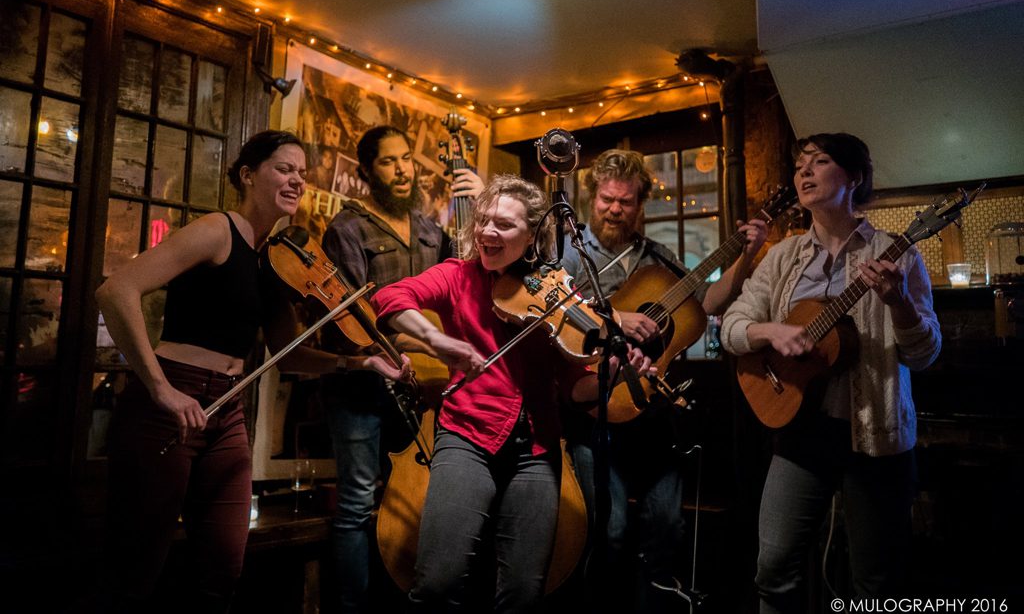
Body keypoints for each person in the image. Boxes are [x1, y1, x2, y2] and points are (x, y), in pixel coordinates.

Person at [95, 130, 408, 614]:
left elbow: (290, 354)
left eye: (302, 173)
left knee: (223, 567)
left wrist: (363, 362)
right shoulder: (218, 230)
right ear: (248, 175)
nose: (297, 180)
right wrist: (160, 388)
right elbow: (117, 291)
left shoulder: (275, 260)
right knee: (138, 566)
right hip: (172, 401)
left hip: (226, 412)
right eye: (285, 168)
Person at [371, 174, 654, 612]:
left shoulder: (556, 292)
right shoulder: (456, 276)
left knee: (523, 591)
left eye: (503, 225)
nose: (487, 232)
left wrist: (613, 373)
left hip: (537, 450)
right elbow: (392, 298)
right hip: (466, 437)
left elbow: (574, 388)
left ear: (534, 234)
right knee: (438, 582)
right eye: (483, 220)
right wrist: (436, 338)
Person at [720, 133, 941, 613]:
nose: (804, 172)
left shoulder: (895, 253)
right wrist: (770, 332)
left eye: (820, 162)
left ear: (854, 177)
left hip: (875, 439)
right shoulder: (783, 256)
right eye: (801, 164)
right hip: (799, 433)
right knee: (773, 568)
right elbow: (731, 327)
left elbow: (925, 354)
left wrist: (898, 302)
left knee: (876, 583)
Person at [558, 148, 767, 613]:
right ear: (593, 198)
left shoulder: (658, 257)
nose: (615, 209)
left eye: (626, 202)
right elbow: (555, 314)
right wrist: (618, 315)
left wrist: (746, 255)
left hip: (649, 407)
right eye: (607, 199)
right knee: (608, 529)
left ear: (641, 204)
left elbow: (709, 301)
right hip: (594, 404)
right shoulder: (569, 254)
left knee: (666, 524)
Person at [319, 124, 484, 612]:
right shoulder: (346, 229)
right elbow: (351, 320)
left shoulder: (433, 230)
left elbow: (467, 287)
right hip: (361, 388)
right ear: (367, 171)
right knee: (356, 504)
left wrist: (476, 200)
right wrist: (415, 345)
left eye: (407, 159)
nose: (402, 170)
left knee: (419, 500)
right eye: (389, 162)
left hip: (423, 389)